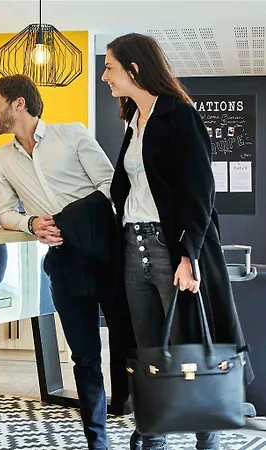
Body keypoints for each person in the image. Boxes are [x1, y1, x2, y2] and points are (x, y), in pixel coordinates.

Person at [101, 33, 252, 450]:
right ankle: (155, 435)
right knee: (149, 349)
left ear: (134, 68)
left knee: (190, 344)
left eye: (110, 67)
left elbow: (200, 190)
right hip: (133, 247)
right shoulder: (134, 121)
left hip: (170, 248)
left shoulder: (179, 115)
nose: (105, 76)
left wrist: (188, 255)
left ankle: (208, 437)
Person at [0, 74, 130, 450]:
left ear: (19, 104)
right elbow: (5, 212)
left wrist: (71, 219)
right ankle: (97, 440)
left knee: (126, 344)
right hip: (63, 262)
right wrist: (31, 223)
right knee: (84, 356)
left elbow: (109, 186)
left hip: (105, 254)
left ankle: (140, 428)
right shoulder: (2, 158)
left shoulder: (72, 134)